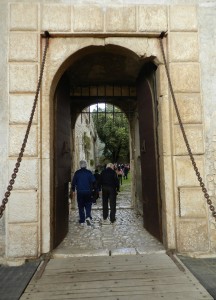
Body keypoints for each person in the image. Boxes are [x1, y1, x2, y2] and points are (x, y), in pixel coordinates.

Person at [71, 160, 95, 226]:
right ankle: (88, 216)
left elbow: (73, 183)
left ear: (80, 165)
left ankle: (82, 220)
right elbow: (93, 181)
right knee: (88, 204)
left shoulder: (77, 173)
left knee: (80, 205)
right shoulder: (89, 172)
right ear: (86, 165)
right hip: (88, 191)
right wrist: (93, 189)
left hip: (80, 192)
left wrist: (73, 190)